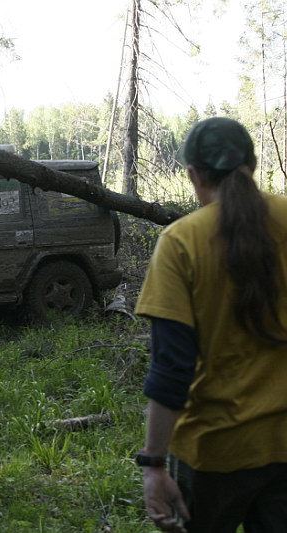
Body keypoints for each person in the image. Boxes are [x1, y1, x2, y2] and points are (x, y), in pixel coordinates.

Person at [135, 117, 287, 532]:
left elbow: (172, 367)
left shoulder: (181, 241)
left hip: (214, 450)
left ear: (194, 175)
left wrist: (153, 464)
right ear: (252, 166)